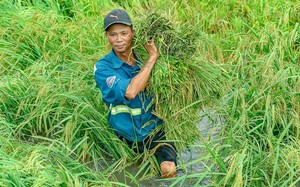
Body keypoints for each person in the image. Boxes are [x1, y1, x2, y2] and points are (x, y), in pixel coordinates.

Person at [94, 9, 177, 178]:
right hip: (124, 135)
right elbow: (130, 92)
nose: (119, 40)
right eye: (113, 35)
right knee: (130, 176)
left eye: (124, 33)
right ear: (107, 36)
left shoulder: (142, 55)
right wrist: (152, 58)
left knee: (169, 170)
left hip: (155, 131)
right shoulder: (103, 68)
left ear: (133, 32)